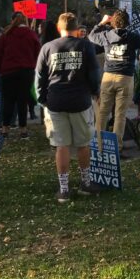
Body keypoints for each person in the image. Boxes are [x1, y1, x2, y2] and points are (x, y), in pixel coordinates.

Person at [35, 13, 101, 202]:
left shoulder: (47, 48)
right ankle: (85, 183)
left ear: (59, 28)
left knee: (61, 145)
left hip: (56, 101)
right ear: (77, 27)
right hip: (80, 101)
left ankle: (64, 189)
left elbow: (39, 76)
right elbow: (94, 72)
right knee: (83, 144)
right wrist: (95, 91)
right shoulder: (86, 45)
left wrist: (42, 99)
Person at [88, 10, 140, 151]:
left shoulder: (106, 35)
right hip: (125, 77)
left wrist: (101, 22)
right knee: (120, 114)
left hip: (108, 77)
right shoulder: (133, 37)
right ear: (128, 23)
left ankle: (98, 143)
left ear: (113, 22)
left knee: (103, 112)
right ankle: (116, 146)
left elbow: (91, 36)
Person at [0, 12, 41, 138]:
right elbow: (37, 51)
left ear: (12, 20)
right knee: (23, 100)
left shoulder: (5, 34)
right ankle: (23, 129)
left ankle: (5, 128)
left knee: (8, 100)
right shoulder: (31, 34)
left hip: (8, 71)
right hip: (26, 71)